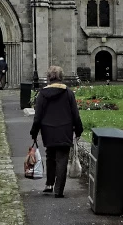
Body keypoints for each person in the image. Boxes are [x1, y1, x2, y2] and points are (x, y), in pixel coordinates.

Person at [29, 65, 83, 198]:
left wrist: (34, 132)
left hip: (48, 130)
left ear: (48, 78)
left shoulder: (42, 94)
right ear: (61, 77)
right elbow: (75, 114)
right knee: (62, 158)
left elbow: (38, 116)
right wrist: (79, 129)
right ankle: (59, 190)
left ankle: (49, 184)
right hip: (65, 129)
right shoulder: (68, 92)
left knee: (50, 155)